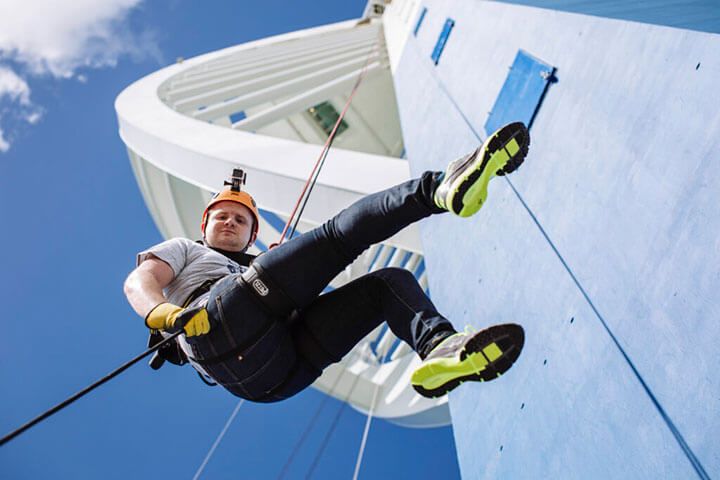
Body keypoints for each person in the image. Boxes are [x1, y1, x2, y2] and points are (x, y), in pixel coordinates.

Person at [124, 122, 529, 402]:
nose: (230, 221)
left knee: (387, 284)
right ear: (204, 224)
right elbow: (139, 281)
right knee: (338, 238)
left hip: (275, 379)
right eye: (222, 216)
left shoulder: (250, 266)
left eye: (241, 219)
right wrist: (163, 313)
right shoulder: (186, 249)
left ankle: (439, 347)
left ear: (252, 235)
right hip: (215, 319)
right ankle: (438, 189)